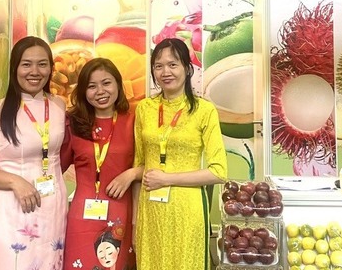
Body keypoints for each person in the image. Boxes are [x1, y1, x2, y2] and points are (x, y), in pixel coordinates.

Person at [0, 36, 67, 270]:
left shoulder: (59, 106)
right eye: (26, 64)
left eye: (42, 64)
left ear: (51, 68)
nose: (35, 71)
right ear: (14, 68)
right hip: (12, 205)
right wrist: (14, 181)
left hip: (53, 204)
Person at [132, 37, 227, 270]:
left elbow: (218, 172)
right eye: (159, 66)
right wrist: (135, 220)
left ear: (187, 67)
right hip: (150, 210)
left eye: (173, 64)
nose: (166, 72)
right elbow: (139, 164)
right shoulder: (144, 108)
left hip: (187, 209)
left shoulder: (204, 110)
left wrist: (167, 179)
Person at [61, 57, 139, 270]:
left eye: (106, 83)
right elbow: (53, 166)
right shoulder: (73, 123)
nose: (100, 91)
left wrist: (132, 174)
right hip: (81, 216)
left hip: (119, 213)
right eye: (92, 86)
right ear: (83, 91)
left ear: (118, 85)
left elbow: (152, 165)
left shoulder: (133, 121)